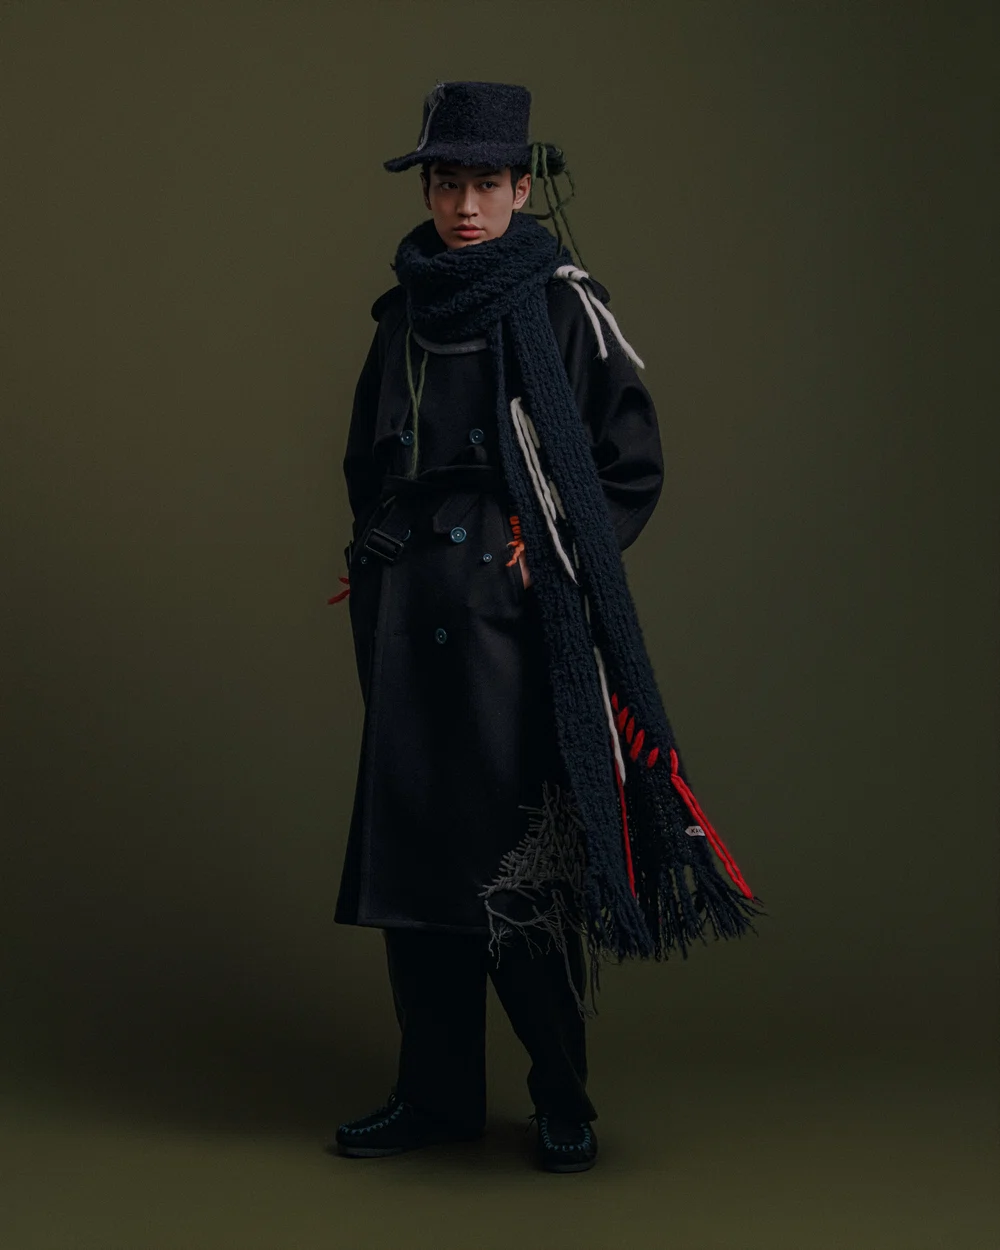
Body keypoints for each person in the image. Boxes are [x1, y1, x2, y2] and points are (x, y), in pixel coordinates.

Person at [327, 81, 765, 1174]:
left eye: (485, 183)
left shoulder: (565, 309)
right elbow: (365, 458)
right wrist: (376, 550)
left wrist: (550, 546)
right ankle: (433, 1095)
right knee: (418, 869)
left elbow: (629, 466)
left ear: (523, 188)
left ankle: (562, 1096)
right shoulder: (402, 315)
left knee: (520, 865)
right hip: (409, 612)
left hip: (514, 623)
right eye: (447, 184)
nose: (465, 206)